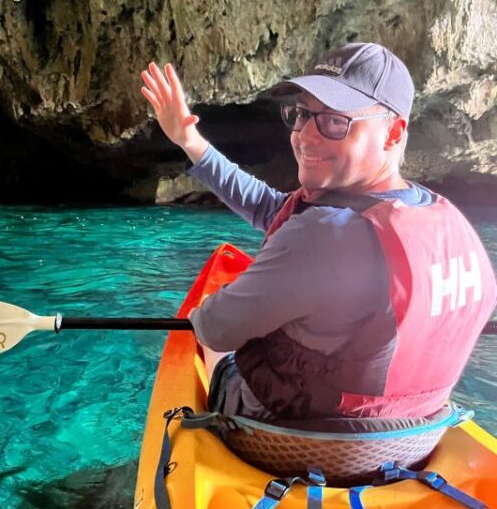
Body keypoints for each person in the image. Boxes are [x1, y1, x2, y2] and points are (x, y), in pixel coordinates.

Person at [140, 42, 497, 421]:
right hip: (413, 434)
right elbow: (271, 208)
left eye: (334, 121)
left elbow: (215, 328)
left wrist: (206, 313)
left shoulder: (322, 238)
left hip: (302, 440)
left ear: (392, 133)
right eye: (302, 114)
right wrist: (189, 141)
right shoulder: (446, 221)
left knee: (209, 335)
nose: (306, 136)